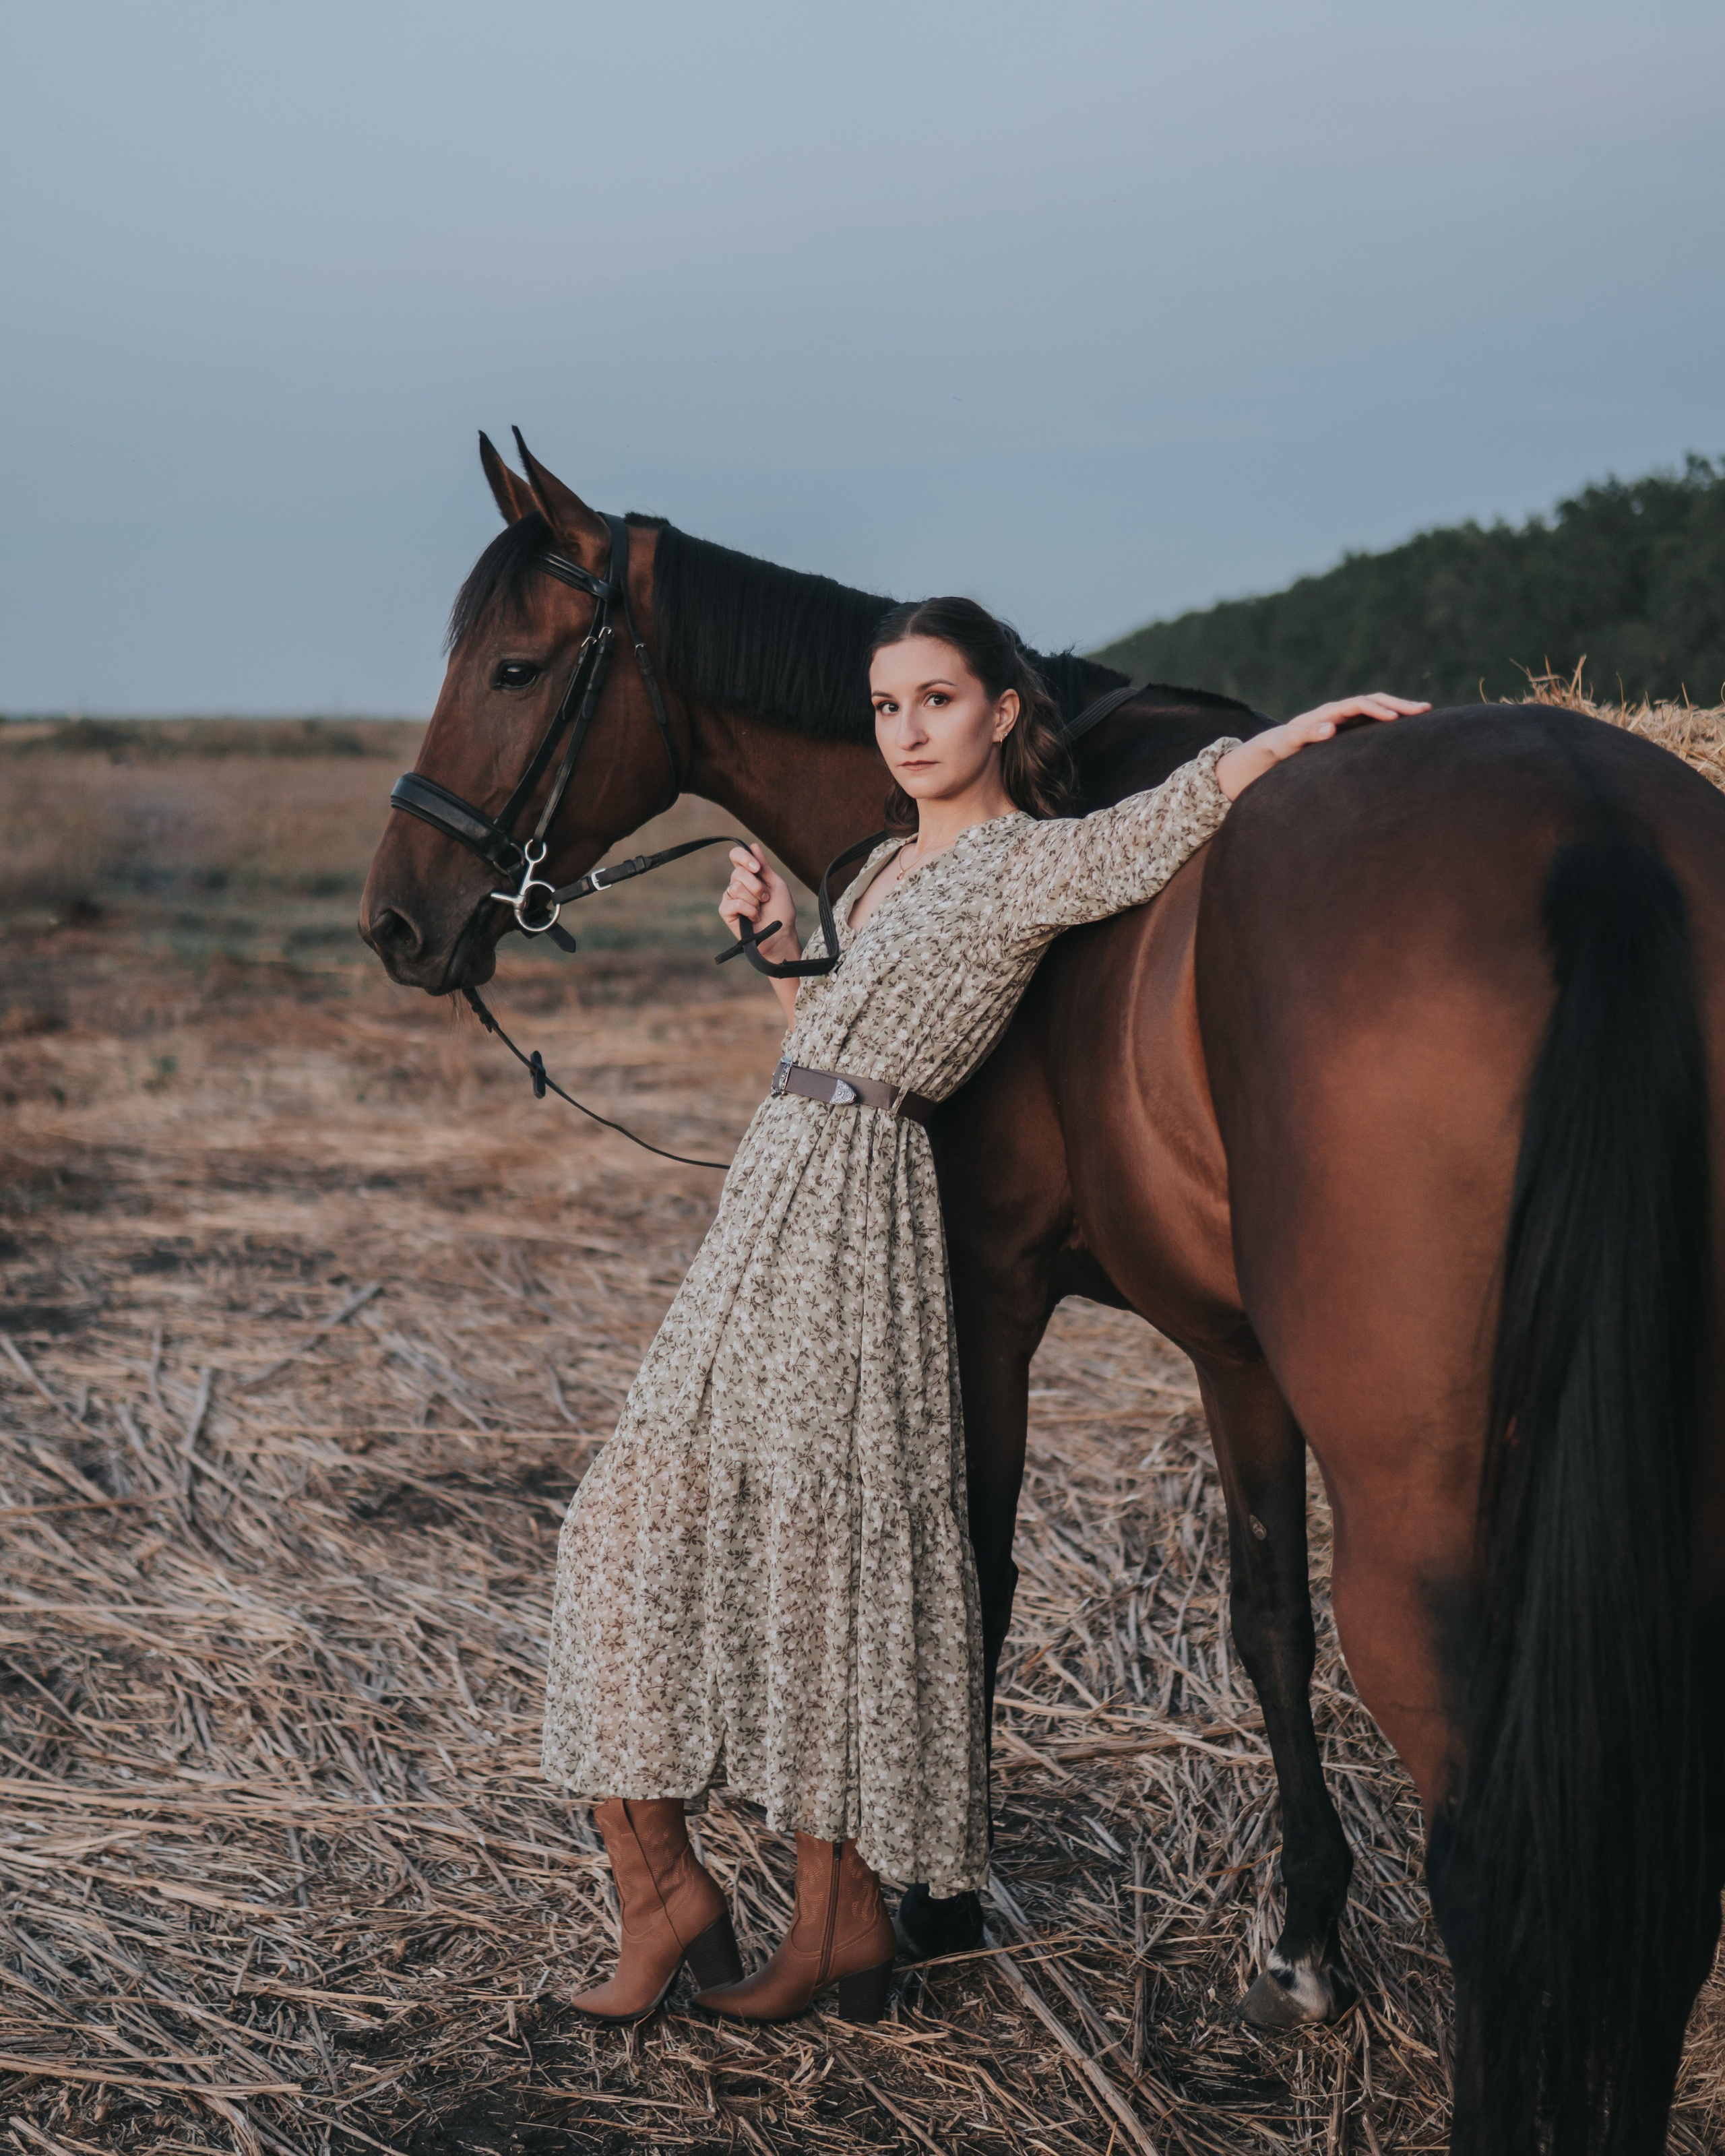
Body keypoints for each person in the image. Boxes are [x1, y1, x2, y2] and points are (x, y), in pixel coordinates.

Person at [540, 594, 1426, 2025]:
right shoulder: (880, 867)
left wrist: (1290, 743)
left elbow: (1168, 816)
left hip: (856, 1217)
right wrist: (782, 947)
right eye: (887, 707)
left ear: (1002, 711)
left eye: (936, 702)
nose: (906, 731)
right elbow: (829, 1047)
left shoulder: (1024, 866)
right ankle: (668, 1893)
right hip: (779, 1184)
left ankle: (826, 1919)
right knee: (620, 1525)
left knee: (824, 1555)